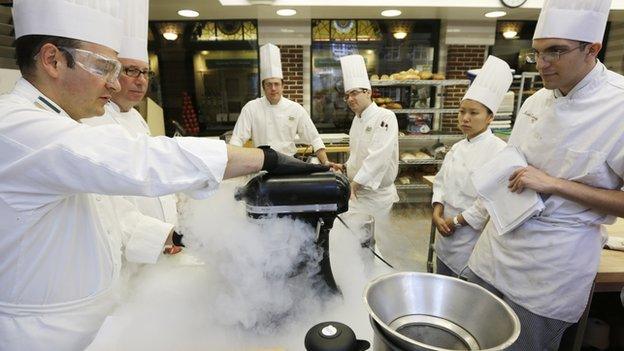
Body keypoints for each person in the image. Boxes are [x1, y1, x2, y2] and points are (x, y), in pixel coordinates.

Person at [0, 1, 327, 350]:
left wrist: (174, 234)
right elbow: (138, 160)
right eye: (104, 68)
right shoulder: (15, 126)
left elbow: (108, 211)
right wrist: (265, 157)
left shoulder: (63, 123)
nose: (113, 85)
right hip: (46, 335)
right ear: (52, 60)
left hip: (101, 321)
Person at [465, 0, 624, 349]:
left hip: (549, 271)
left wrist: (554, 184)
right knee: (467, 338)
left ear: (592, 49)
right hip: (495, 250)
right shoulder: (536, 101)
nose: (542, 64)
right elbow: (514, 165)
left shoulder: (619, 106)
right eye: (537, 53)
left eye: (555, 51)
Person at [80, 0, 184, 254]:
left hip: (161, 249)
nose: (141, 81)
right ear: (112, 73)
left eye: (146, 72)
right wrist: (166, 237)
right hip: (129, 255)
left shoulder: (137, 118)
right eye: (131, 71)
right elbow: (110, 208)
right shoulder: (92, 122)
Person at [431, 56, 511, 277]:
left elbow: (487, 202)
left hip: (469, 239)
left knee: (462, 293)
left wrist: (455, 222)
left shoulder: (498, 151)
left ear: (490, 118)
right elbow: (440, 184)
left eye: (473, 113)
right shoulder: (456, 147)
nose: (465, 118)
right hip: (444, 233)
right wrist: (437, 215)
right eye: (461, 111)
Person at [230, 43, 332, 166]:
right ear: (263, 87)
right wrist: (230, 161)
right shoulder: (251, 108)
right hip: (261, 163)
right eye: (269, 84)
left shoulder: (295, 109)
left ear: (283, 86)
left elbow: (314, 138)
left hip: (288, 163)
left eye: (276, 84)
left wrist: (325, 162)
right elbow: (237, 139)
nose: (273, 88)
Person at [339, 54, 399, 233]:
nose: (350, 99)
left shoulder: (385, 117)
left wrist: (354, 185)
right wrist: (344, 167)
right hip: (358, 193)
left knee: (371, 242)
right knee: (356, 240)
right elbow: (358, 155)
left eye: (355, 93)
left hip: (376, 197)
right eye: (347, 95)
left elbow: (377, 158)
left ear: (369, 92)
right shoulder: (357, 120)